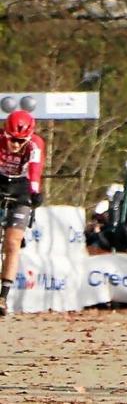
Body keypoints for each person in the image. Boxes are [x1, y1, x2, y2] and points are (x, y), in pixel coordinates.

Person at [0, 110, 45, 316]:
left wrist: (35, 191)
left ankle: (3, 297)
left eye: (21, 141)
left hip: (21, 186)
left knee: (12, 243)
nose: (16, 145)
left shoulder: (35, 143)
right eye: (12, 140)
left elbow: (35, 168)